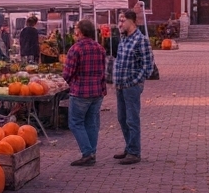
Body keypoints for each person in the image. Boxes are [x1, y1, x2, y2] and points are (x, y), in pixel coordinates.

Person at [111, 9, 155, 165]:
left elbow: (148, 65)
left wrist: (137, 80)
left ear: (132, 21)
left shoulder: (140, 40)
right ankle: (129, 147)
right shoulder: (123, 39)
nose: (120, 24)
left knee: (132, 119)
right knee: (122, 118)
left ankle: (135, 152)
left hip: (131, 86)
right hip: (120, 85)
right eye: (119, 20)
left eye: (122, 20)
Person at [62, 19, 105, 166]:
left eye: (75, 28)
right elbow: (103, 71)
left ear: (79, 32)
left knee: (75, 123)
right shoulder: (100, 48)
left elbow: (68, 73)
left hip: (80, 92)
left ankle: (87, 153)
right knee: (91, 123)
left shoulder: (76, 49)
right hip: (97, 91)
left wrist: (65, 83)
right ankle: (92, 152)